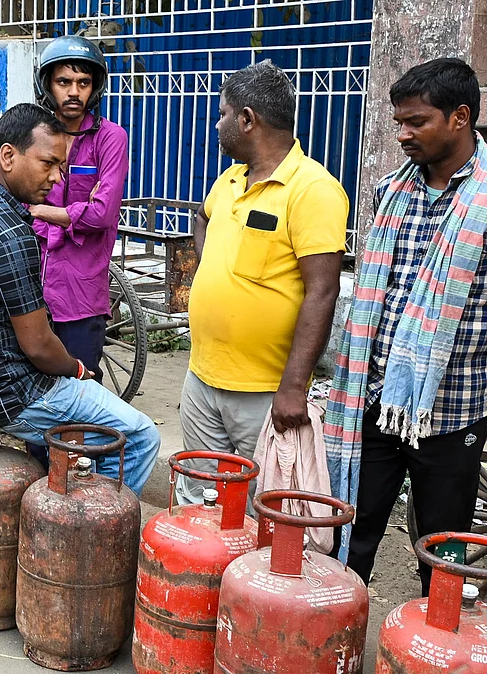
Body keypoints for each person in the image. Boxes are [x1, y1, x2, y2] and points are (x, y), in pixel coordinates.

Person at [0, 103, 159, 495]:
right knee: (141, 436)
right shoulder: (9, 231)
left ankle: (81, 507)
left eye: (61, 167)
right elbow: (38, 346)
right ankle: (92, 529)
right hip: (12, 395)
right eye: (48, 163)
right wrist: (78, 371)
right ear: (8, 156)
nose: (56, 179)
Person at [326, 58, 487, 595]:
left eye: (416, 121)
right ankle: (338, 634)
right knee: (352, 533)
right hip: (374, 399)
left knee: (443, 549)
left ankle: (431, 649)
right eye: (399, 121)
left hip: (452, 407)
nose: (402, 134)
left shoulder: (485, 197)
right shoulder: (392, 190)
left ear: (459, 117)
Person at [176, 60, 347, 506]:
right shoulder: (231, 178)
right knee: (199, 500)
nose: (217, 124)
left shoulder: (314, 190)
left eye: (222, 113)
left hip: (265, 393)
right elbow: (203, 217)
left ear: (247, 119)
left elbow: (323, 291)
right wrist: (212, 268)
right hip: (202, 377)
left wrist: (293, 387)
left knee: (259, 512)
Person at [28, 36, 129, 380]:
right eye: (64, 82)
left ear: (94, 87)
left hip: (82, 295)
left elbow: (102, 213)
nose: (74, 91)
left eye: (83, 83)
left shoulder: (111, 138)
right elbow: (17, 199)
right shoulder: (34, 136)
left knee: (81, 390)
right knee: (35, 396)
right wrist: (78, 211)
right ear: (48, 85)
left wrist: (42, 212)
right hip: (31, 291)